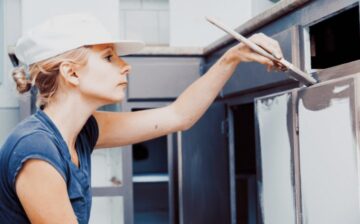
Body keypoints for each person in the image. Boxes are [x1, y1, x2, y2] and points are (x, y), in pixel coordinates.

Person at [0, 12, 284, 224]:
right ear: (71, 73)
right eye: (109, 58)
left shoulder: (83, 131)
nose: (126, 67)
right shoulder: (36, 151)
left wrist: (232, 57)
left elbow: (178, 116)